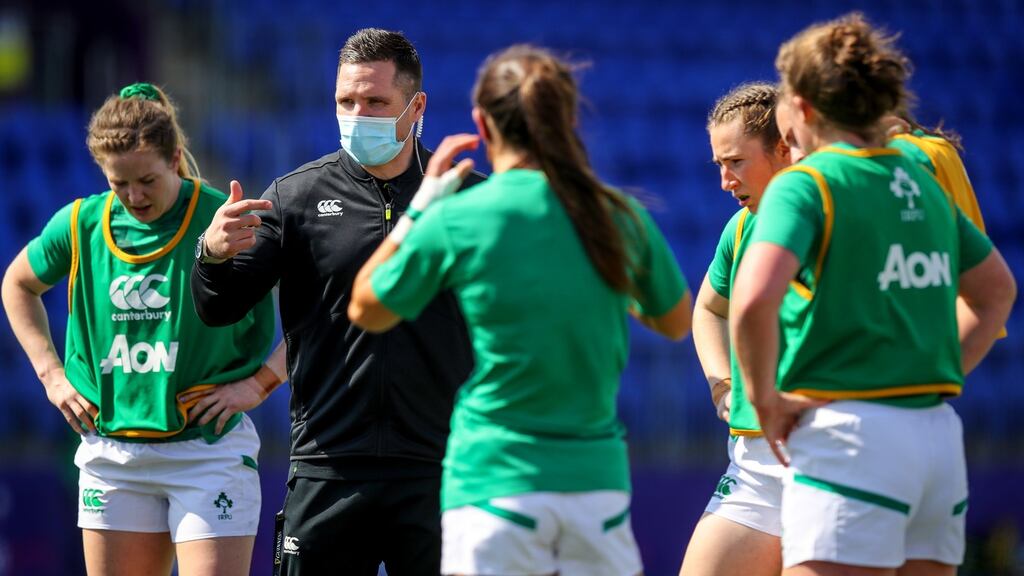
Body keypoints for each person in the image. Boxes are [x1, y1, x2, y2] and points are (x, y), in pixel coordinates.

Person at [348, 44, 692, 576]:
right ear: (568, 120)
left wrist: (422, 204)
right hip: (595, 488)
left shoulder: (461, 216)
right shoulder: (618, 215)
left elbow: (366, 308)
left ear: (482, 126)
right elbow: (674, 321)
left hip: (493, 485)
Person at [731, 13, 1016, 576]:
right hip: (935, 440)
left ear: (804, 108)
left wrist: (767, 403)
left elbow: (752, 300)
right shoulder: (921, 175)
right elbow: (996, 293)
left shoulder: (807, 182)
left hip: (850, 438)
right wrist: (938, 367)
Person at [190, 28, 483, 575]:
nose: (358, 114)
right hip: (328, 468)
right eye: (346, 101)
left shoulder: (470, 200)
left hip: (442, 471)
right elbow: (219, 308)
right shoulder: (295, 197)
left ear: (416, 105)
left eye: (376, 102)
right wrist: (212, 254)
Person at [1, 82, 277, 576]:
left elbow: (319, 314)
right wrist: (51, 375)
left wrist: (258, 386)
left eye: (146, 180)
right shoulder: (81, 223)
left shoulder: (225, 221)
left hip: (207, 451)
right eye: (118, 183)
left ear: (174, 158)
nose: (133, 196)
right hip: (112, 455)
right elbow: (17, 285)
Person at [679, 82, 791, 576]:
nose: (725, 181)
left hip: (827, 455)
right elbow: (707, 309)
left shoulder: (838, 219)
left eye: (737, 163)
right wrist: (721, 383)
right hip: (753, 460)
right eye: (718, 165)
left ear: (783, 149)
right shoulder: (741, 227)